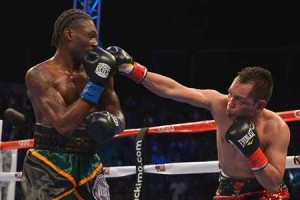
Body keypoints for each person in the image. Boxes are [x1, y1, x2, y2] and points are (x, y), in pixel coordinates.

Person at [106, 46, 291, 199]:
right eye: (230, 94)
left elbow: (273, 183)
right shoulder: (218, 104)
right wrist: (132, 70)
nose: (230, 103)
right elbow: (172, 89)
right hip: (227, 190)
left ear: (260, 105)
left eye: (240, 100)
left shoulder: (276, 128)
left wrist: (252, 152)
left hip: (266, 193)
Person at [21, 9, 125, 200]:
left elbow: (118, 115)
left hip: (89, 161)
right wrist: (95, 84)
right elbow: (64, 125)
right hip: (49, 163)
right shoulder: (39, 75)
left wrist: (111, 124)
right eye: (90, 36)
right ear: (69, 34)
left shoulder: (99, 71)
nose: (95, 42)